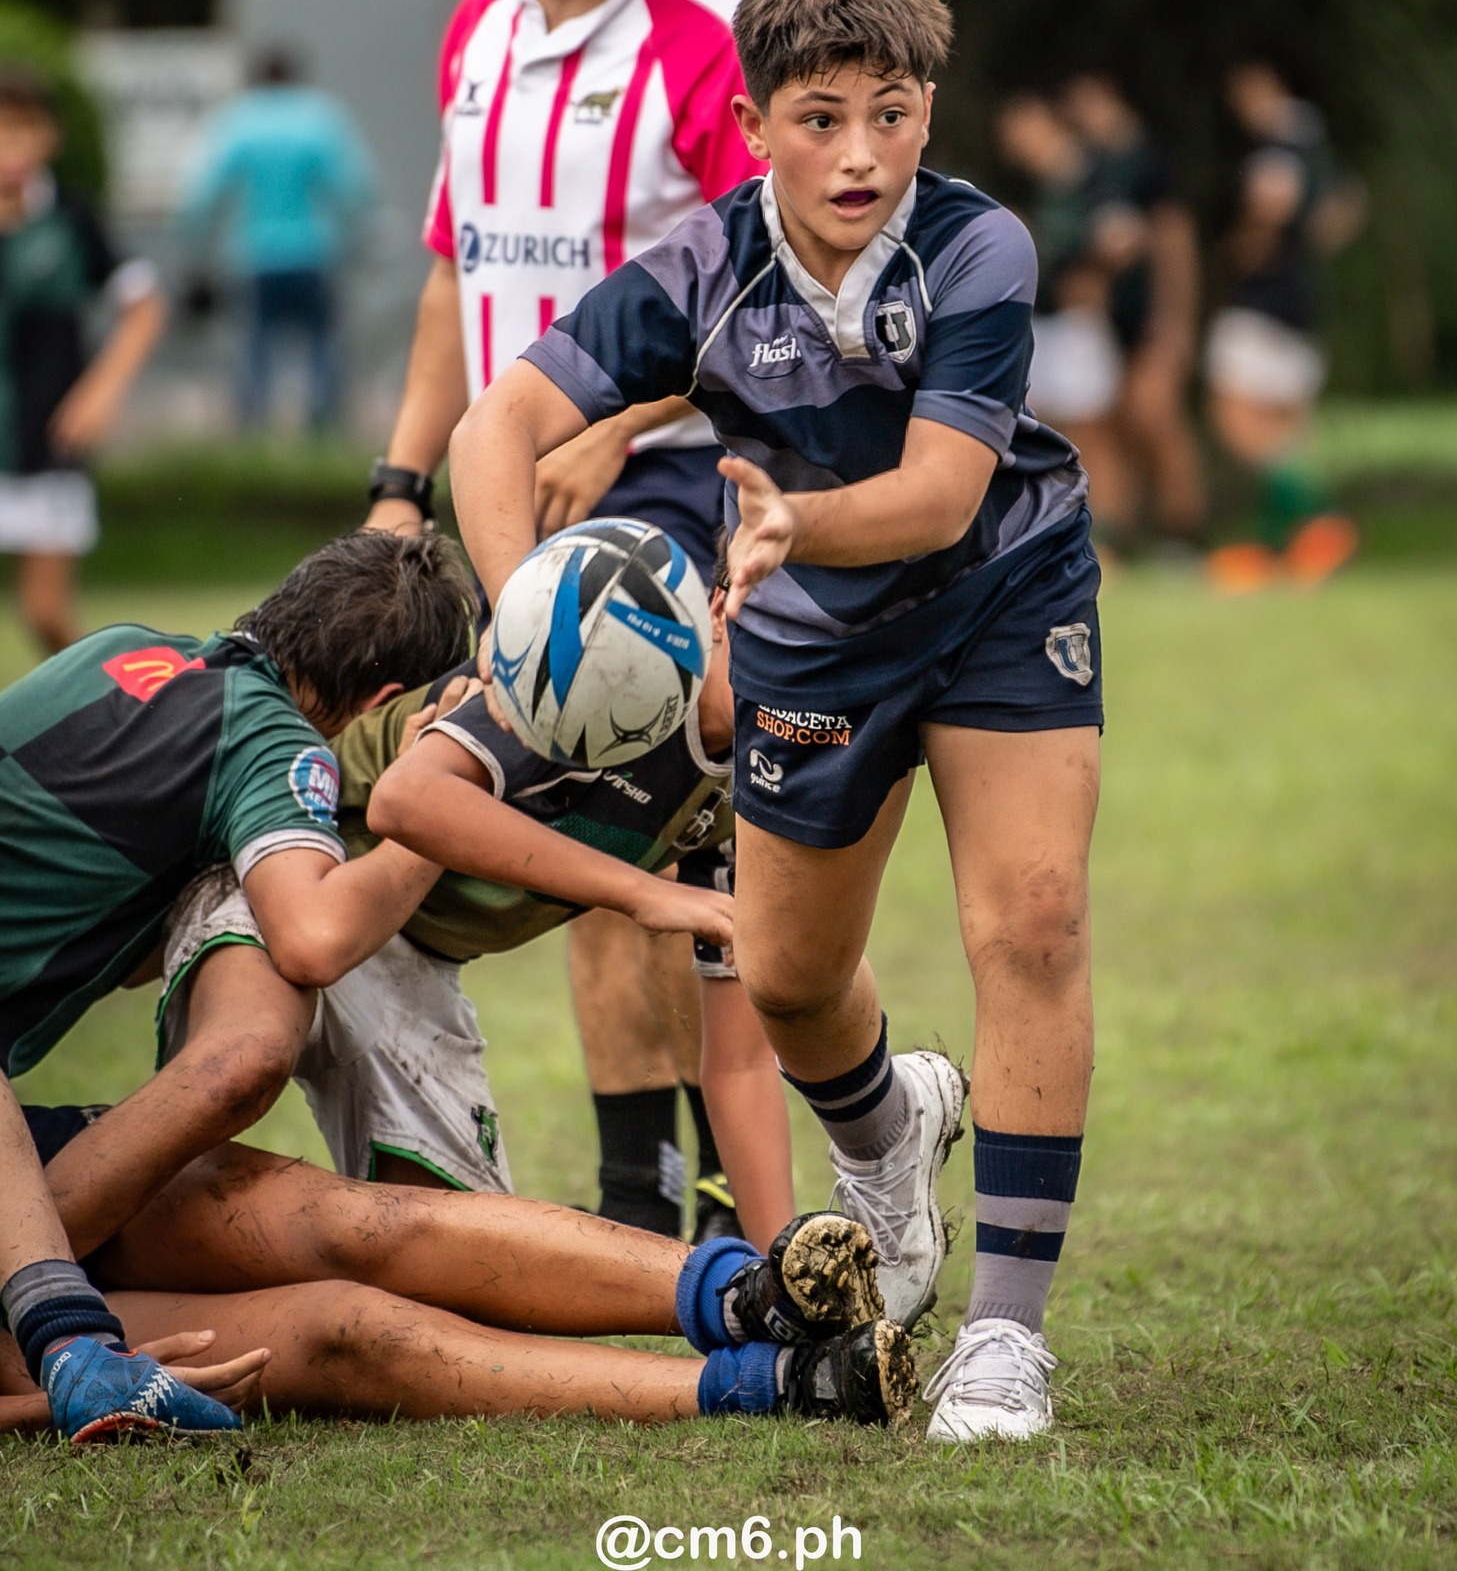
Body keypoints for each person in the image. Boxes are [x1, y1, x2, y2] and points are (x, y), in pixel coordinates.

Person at [450, 0, 1101, 1444]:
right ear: (753, 128)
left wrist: (791, 521)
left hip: (1001, 594)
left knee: (1034, 918)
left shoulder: (978, 246)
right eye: (820, 118)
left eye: (891, 113)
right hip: (810, 639)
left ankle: (1004, 1335)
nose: (860, 153)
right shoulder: (701, 267)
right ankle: (888, 1136)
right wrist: (517, 615)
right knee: (792, 977)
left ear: (929, 112)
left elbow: (940, 495)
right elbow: (501, 425)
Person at [364, 0, 766, 1241]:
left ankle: (666, 1211)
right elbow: (452, 271)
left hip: (667, 492)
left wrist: (612, 429)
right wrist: (401, 482)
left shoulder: (712, 32)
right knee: (544, 829)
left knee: (616, 826)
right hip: (495, 497)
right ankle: (658, 1211)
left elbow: (765, 296)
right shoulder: (477, 22)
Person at [154, 567, 796, 1250]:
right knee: (238, 1071)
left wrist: (783, 1264)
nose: (807, 673)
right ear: (721, 608)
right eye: (786, 636)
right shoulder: (608, 658)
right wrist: (645, 893)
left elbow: (742, 1064)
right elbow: (407, 801)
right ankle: (82, 1249)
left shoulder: (762, 783)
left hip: (419, 963)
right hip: (293, 878)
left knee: (461, 1263)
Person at [0, 529, 476, 1263]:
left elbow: (117, 942)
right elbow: (312, 940)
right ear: (383, 702)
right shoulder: (274, 741)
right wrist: (436, 803)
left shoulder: (121, 648)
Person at [6, 1103, 910, 1430]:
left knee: (357, 1224)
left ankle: (746, 1297)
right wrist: (52, 1400)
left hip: (29, 1169)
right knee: (350, 1332)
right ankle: (782, 1386)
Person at [0, 64, 166, 653]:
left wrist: (102, 390)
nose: (11, 145)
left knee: (45, 613)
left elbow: (145, 305)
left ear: (51, 136)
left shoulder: (71, 219)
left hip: (48, 436)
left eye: (24, 128)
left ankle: (111, 701)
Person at [0, 1080, 260, 1443]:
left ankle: (74, 1342)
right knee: (335, 1329)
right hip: (44, 1331)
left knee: (339, 1234)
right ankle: (76, 1346)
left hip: (26, 1154)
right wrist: (68, 1393)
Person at [1208, 63, 1365, 590]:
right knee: (1285, 428)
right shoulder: (1316, 143)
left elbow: (1270, 202)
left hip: (1262, 300)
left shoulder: (1278, 145)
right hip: (1303, 299)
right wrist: (1308, 249)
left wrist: (1247, 246)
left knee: (1233, 419)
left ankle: (1321, 519)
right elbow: (1347, 205)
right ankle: (1291, 548)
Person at [178, 46, 375, 434]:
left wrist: (194, 248)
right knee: (322, 345)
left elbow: (201, 194)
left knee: (255, 348)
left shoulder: (239, 120)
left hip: (255, 255)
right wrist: (359, 237)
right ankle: (323, 432)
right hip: (315, 253)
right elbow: (355, 188)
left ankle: (254, 436)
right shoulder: (320, 118)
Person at [1060, 72, 1206, 550]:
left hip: (1152, 319)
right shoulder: (1091, 167)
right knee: (1117, 426)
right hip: (1109, 325)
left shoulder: (1146, 161)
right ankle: (1130, 537)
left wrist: (1176, 319)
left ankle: (1186, 532)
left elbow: (1175, 240)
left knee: (1155, 417)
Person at [996, 91, 1136, 544]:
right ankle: (1068, 530)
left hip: (1076, 323)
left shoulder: (1093, 174)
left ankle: (1111, 537)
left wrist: (1097, 274)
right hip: (1041, 320)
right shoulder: (1041, 185)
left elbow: (1125, 237)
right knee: (1049, 428)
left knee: (1092, 429)